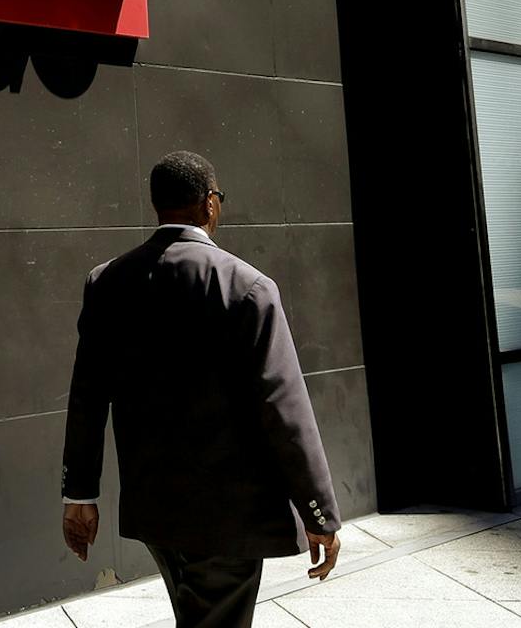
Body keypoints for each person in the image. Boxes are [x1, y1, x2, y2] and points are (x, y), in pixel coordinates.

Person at [60, 152, 341, 627]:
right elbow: (284, 408)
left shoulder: (107, 282)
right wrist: (320, 513)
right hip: (227, 517)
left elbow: (87, 395)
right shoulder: (247, 287)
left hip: (155, 511)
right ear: (209, 204)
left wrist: (80, 496)